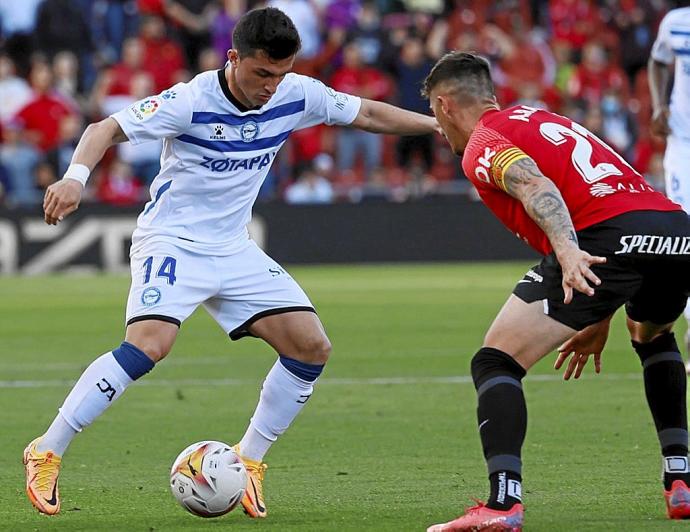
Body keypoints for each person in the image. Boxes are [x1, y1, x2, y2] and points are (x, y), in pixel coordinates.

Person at [24, 7, 438, 518]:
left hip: (233, 248)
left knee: (311, 347)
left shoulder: (296, 94)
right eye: (262, 73)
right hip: (172, 241)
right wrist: (75, 178)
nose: (271, 86)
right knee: (150, 345)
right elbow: (103, 127)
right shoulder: (190, 100)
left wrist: (439, 126)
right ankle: (47, 448)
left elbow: (369, 114)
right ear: (233, 57)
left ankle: (249, 462)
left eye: (281, 74)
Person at [423, 51, 690, 531]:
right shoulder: (541, 115)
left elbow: (537, 186)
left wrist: (568, 252)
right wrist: (597, 314)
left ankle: (503, 505)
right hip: (673, 231)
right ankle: (681, 480)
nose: (439, 129)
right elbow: (609, 194)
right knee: (653, 336)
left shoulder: (483, 141)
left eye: (435, 116)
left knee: (495, 361)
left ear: (445, 106)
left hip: (604, 239)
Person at [647, 2, 690, 363]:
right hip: (684, 142)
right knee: (686, 228)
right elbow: (659, 60)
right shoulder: (676, 23)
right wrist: (659, 105)